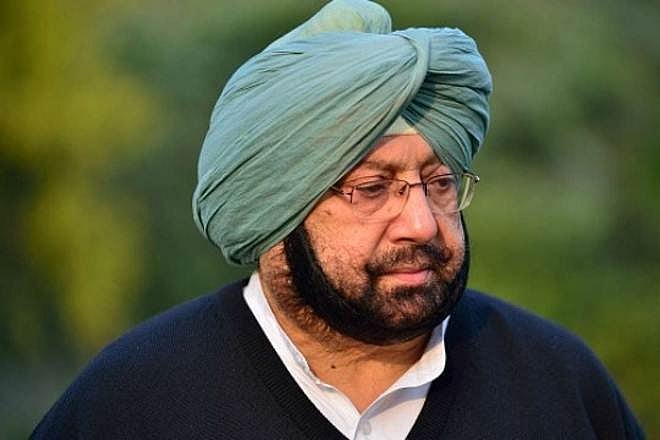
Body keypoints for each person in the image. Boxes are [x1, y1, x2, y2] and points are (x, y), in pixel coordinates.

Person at [32, 0, 644, 438]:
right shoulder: (134, 402)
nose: (423, 225)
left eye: (440, 184)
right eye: (372, 189)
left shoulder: (557, 384)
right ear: (276, 212)